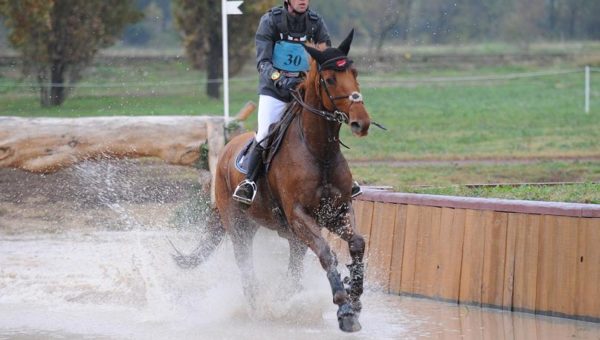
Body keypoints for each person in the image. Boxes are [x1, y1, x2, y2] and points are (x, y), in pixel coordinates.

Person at [233, 0, 361, 205]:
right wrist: (280, 79)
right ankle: (249, 183)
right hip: (275, 90)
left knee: (327, 126)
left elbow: (324, 58)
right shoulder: (270, 21)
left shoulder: (315, 23)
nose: (303, 0)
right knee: (265, 132)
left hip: (304, 89)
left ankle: (344, 179)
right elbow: (263, 63)